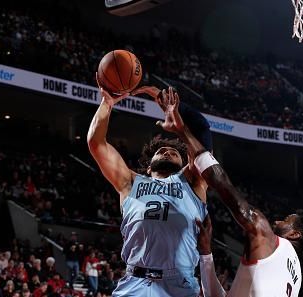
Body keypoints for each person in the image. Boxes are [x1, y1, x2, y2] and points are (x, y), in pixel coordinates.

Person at [157, 87, 303, 297]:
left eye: (285, 220)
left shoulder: (271, 240)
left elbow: (224, 186)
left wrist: (183, 132)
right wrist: (206, 254)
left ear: (295, 233)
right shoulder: (296, 280)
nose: (277, 222)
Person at [87, 79, 211, 296]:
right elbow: (96, 143)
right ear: (148, 164)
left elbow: (203, 129)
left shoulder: (193, 182)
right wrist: (107, 103)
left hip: (178, 284)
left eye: (175, 153)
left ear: (185, 164)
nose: (167, 152)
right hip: (135, 282)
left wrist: (175, 109)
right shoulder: (130, 182)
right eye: (161, 151)